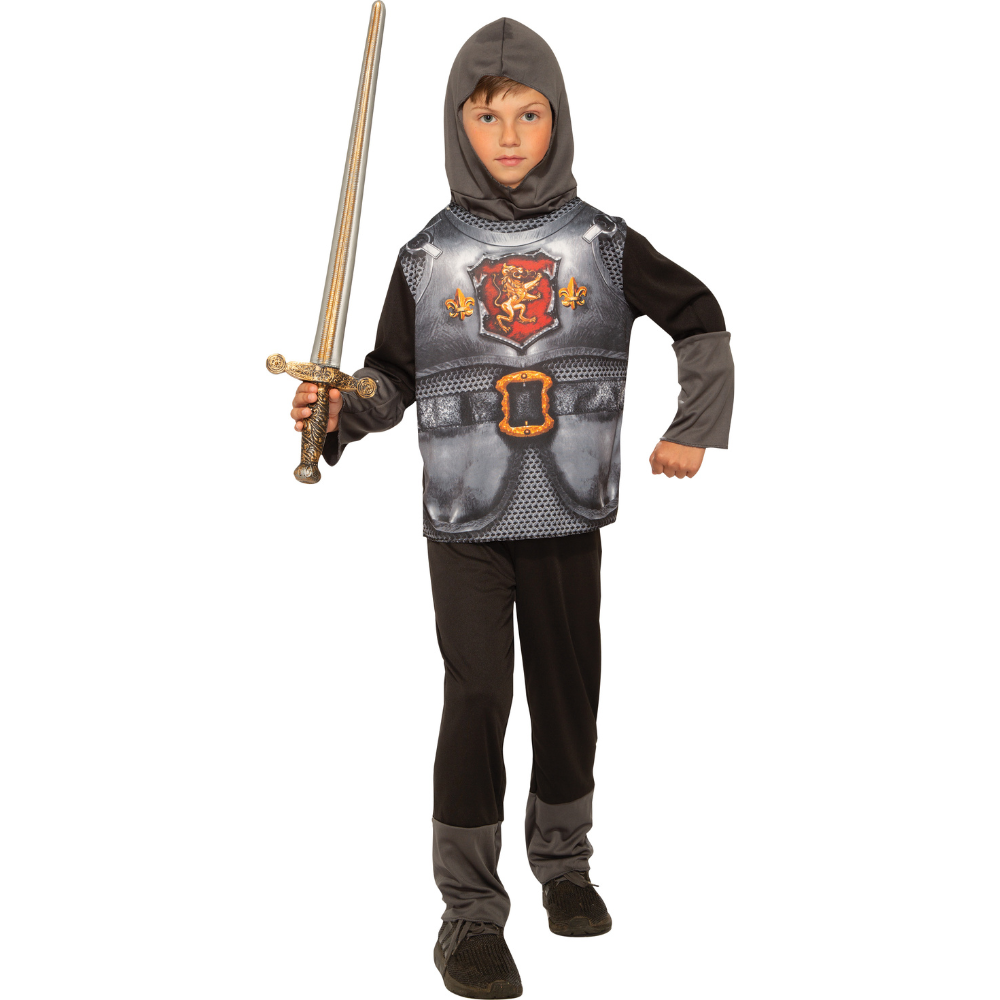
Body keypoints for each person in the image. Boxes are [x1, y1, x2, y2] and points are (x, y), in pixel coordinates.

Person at [289, 18, 734, 999]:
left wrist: (695, 425)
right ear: (458, 123)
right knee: (479, 697)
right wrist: (338, 411)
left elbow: (698, 315)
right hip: (466, 522)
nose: (509, 134)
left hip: (567, 512)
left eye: (529, 115)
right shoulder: (425, 257)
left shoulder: (602, 244)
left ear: (558, 119)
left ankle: (564, 864)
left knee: (569, 695)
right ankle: (468, 911)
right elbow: (392, 377)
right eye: (487, 116)